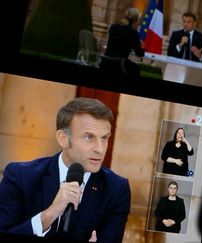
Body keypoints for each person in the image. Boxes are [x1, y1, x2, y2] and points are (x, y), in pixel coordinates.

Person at [0, 98, 131, 242]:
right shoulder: (20, 176)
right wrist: (48, 215)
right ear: (63, 139)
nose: (100, 149)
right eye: (89, 137)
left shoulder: (117, 189)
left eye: (104, 138)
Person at [100, 7, 145, 76]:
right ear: (136, 20)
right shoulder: (133, 32)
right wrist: (142, 48)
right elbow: (139, 53)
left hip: (105, 61)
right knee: (136, 68)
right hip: (119, 64)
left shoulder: (113, 27)